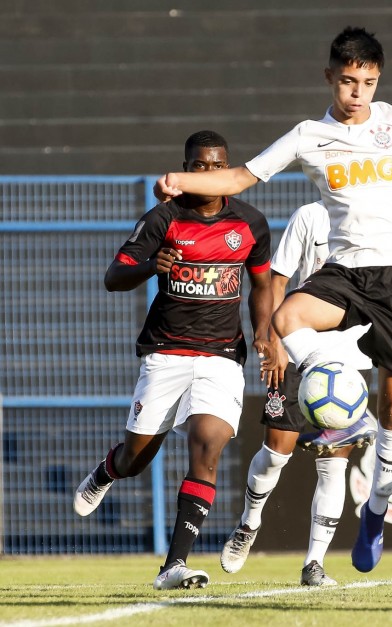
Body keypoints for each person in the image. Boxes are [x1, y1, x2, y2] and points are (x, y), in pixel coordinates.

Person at [154, 26, 392, 573]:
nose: (357, 93)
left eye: (368, 83)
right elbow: (240, 175)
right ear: (330, 77)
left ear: (378, 81)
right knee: (286, 317)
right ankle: (343, 408)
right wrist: (181, 180)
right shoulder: (307, 136)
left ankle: (374, 514)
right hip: (347, 274)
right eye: (348, 82)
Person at [73, 131, 273, 590]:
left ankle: (174, 566)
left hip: (222, 356)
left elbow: (262, 284)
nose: (209, 173)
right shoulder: (163, 219)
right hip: (165, 355)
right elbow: (113, 276)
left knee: (208, 444)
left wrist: (264, 333)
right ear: (184, 169)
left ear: (229, 167)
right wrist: (150, 266)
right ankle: (107, 471)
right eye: (198, 166)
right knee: (135, 460)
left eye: (217, 164)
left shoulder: (251, 224)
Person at [219, 200, 392, 586]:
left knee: (334, 463)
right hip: (303, 351)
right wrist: (274, 341)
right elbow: (278, 281)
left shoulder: (389, 217)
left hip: (351, 362)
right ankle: (248, 523)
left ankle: (314, 564)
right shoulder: (311, 216)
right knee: (275, 454)